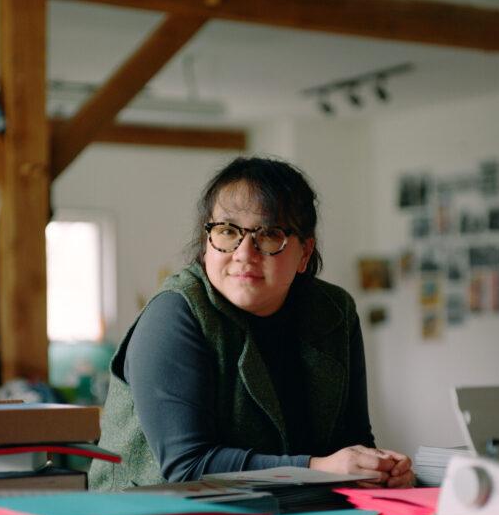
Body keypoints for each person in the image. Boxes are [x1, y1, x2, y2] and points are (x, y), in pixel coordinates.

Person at [88, 157, 414, 491]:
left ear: (305, 253)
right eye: (228, 231)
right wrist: (318, 468)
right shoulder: (175, 312)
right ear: (206, 242)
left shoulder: (334, 311)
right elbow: (187, 466)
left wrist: (378, 469)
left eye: (270, 234)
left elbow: (352, 439)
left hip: (289, 514)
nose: (244, 252)